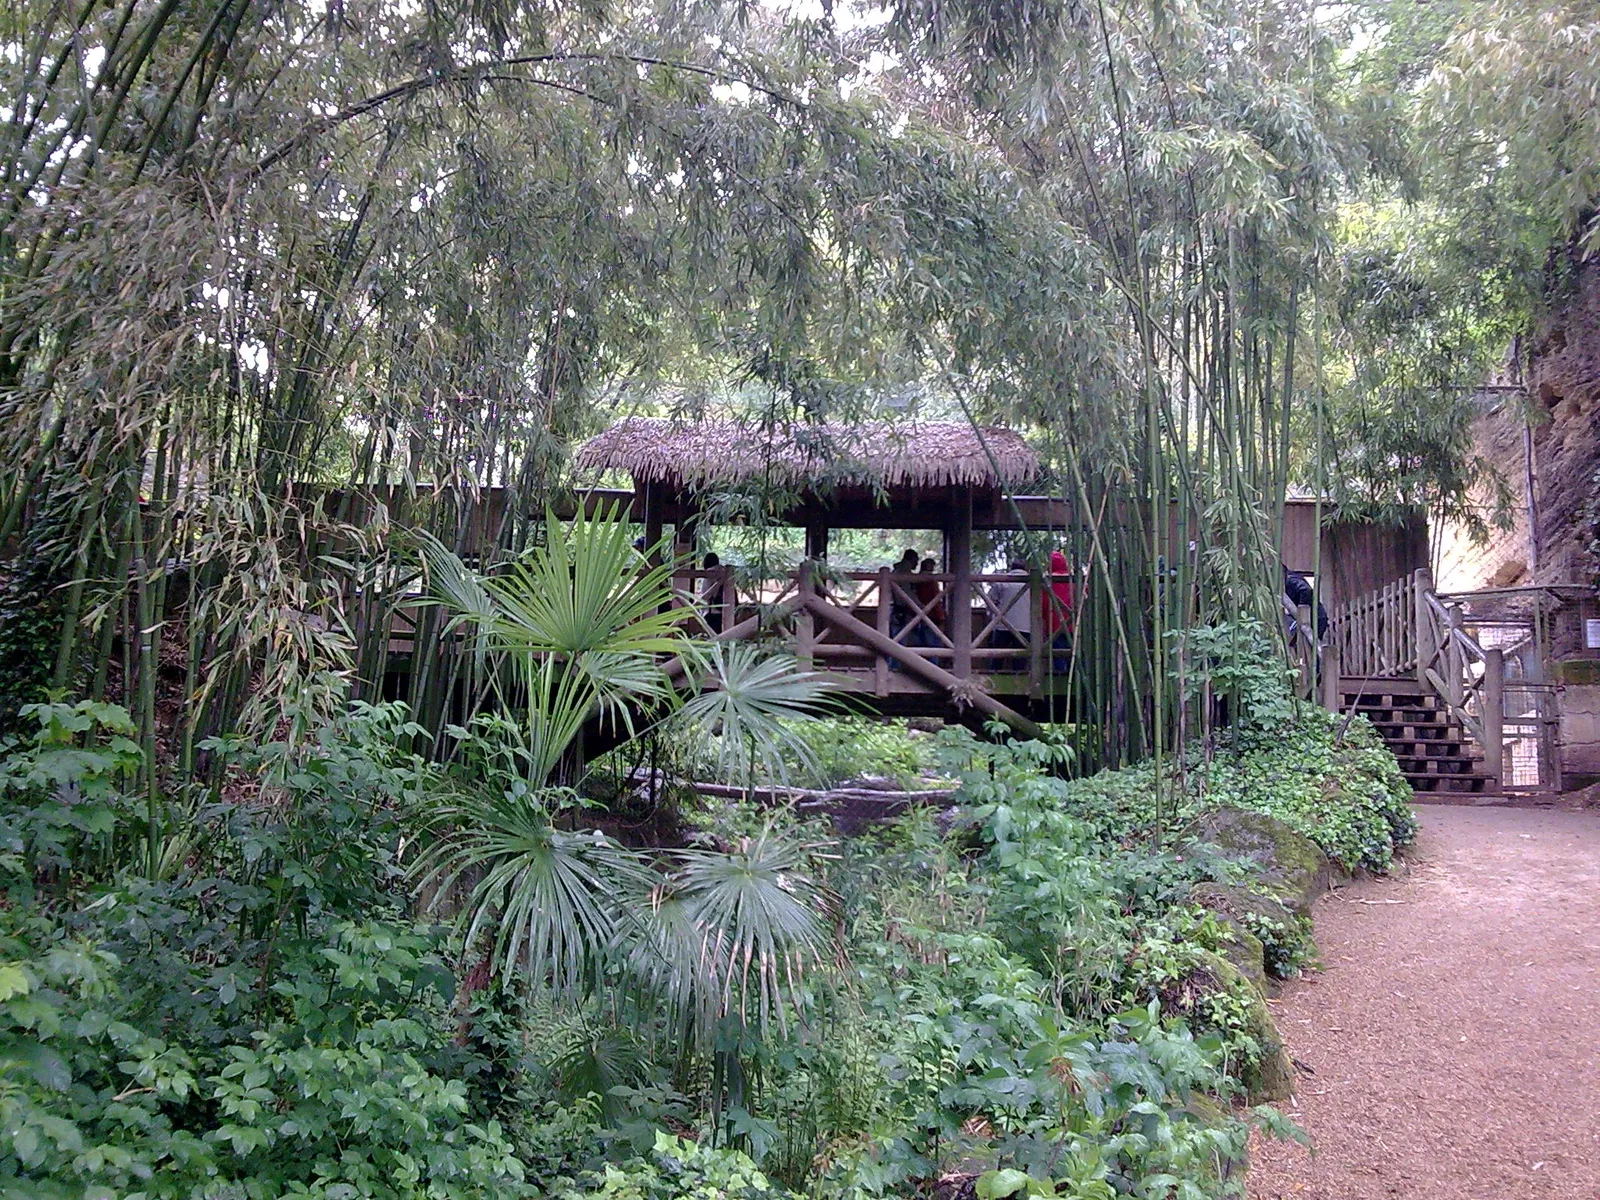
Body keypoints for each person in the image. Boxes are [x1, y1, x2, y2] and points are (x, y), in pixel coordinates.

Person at [988, 559, 1032, 659]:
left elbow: (990, 602)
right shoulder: (1031, 583)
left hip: (1002, 624)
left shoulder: (1002, 582)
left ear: (1011, 568)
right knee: (1021, 657)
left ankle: (995, 672)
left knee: (998, 656)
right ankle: (1019, 673)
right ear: (1026, 569)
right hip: (1025, 625)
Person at [1282, 563, 1329, 642]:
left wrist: (1302, 609)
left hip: (1316, 618)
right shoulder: (1290, 579)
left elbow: (1305, 590)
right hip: (1315, 618)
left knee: (1310, 645)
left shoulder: (1291, 580)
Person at [911, 556, 945, 648]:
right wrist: (941, 617)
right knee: (934, 645)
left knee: (922, 644)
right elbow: (935, 599)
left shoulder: (916, 581)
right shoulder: (931, 582)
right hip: (932, 615)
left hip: (919, 614)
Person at [700, 552, 724, 635]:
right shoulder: (724, 573)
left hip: (711, 613)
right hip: (724, 613)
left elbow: (704, 596)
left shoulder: (708, 575)